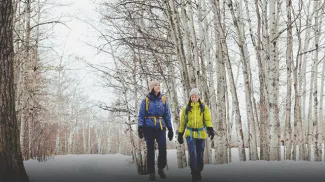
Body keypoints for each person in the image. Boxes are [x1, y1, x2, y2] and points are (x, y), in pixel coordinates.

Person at [138, 80, 174, 181]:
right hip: (148, 128)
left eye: (159, 85)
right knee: (150, 150)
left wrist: (170, 129)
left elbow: (167, 114)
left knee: (163, 148)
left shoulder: (163, 99)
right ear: (151, 87)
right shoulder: (146, 100)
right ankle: (151, 172)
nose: (158, 86)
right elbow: (141, 114)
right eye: (156, 85)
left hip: (161, 127)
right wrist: (140, 127)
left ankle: (161, 168)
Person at [177, 88, 215, 182]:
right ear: (190, 97)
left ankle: (199, 170)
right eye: (192, 96)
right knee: (192, 153)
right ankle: (194, 173)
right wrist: (180, 133)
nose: (194, 98)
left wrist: (210, 129)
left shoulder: (203, 107)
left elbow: (207, 119)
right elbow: (183, 122)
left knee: (200, 154)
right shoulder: (186, 108)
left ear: (198, 97)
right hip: (190, 133)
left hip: (201, 134)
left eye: (196, 96)